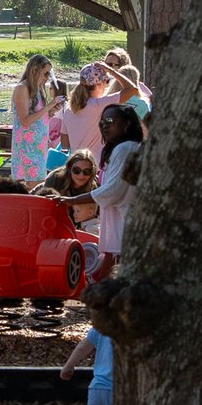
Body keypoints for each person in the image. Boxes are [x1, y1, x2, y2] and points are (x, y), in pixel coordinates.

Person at [56, 105, 145, 282]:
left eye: (110, 121)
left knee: (119, 271)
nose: (104, 125)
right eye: (102, 122)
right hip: (118, 222)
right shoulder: (123, 148)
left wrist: (72, 200)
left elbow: (113, 190)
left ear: (127, 124)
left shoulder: (125, 148)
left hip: (125, 221)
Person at [61, 61, 138, 162]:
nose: (106, 86)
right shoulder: (100, 104)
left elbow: (64, 143)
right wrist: (111, 71)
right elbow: (132, 89)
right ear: (99, 83)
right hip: (97, 166)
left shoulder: (69, 109)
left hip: (76, 165)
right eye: (107, 81)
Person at [11, 54, 63, 183]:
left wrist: (50, 112)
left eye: (49, 74)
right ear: (35, 70)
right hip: (27, 149)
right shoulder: (22, 88)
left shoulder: (38, 89)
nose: (47, 78)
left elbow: (37, 117)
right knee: (32, 188)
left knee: (38, 186)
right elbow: (25, 121)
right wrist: (49, 106)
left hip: (39, 148)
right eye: (45, 73)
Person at [36, 149, 100, 230]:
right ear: (69, 168)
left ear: (92, 172)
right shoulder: (55, 179)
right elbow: (43, 208)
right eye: (76, 170)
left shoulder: (96, 185)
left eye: (87, 171)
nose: (81, 175)